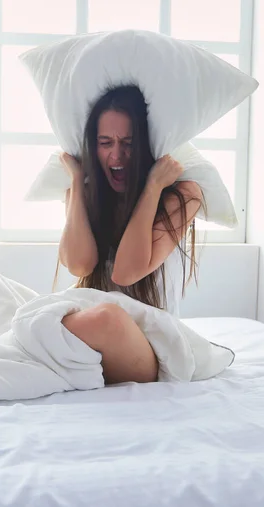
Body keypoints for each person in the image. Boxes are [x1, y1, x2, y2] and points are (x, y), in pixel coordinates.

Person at [57, 85, 205, 384]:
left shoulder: (183, 196)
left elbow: (126, 272)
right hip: (92, 339)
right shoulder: (84, 197)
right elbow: (79, 266)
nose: (117, 154)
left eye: (128, 142)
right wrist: (76, 180)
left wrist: (152, 187)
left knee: (107, 316)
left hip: (148, 351)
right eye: (105, 142)